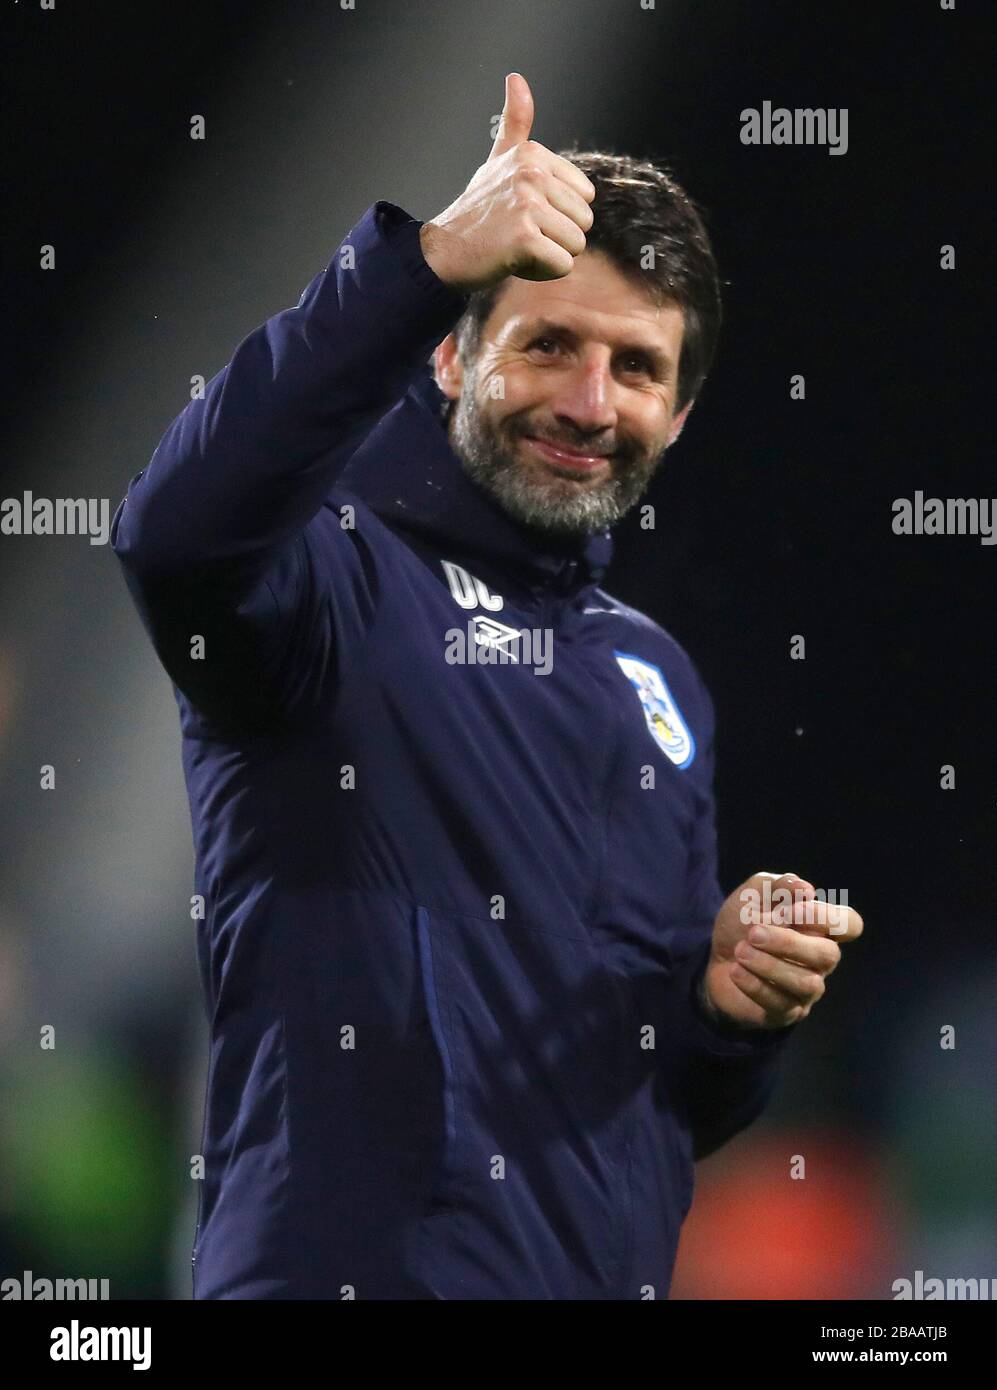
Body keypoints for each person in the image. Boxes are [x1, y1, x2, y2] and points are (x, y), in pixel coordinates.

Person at [111, 72, 863, 1300]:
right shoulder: (330, 585)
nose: (587, 402)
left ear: (676, 413)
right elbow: (175, 534)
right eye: (548, 343)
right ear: (452, 361)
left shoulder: (654, 685)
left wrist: (726, 1009)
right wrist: (420, 265)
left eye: (635, 367)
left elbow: (648, 1106)